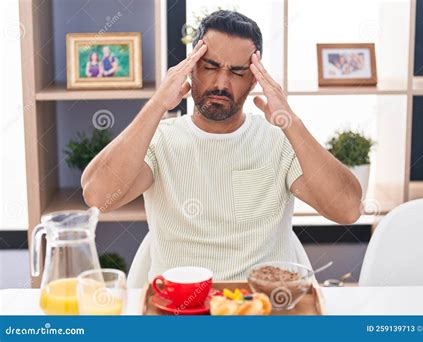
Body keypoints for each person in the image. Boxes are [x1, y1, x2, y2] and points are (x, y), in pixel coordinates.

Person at [81, 10, 362, 281]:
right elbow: (97, 195)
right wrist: (157, 104)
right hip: (179, 308)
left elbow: (347, 210)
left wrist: (290, 121)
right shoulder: (160, 139)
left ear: (254, 80)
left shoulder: (278, 140)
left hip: (261, 308)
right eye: (211, 67)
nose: (221, 83)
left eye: (237, 72)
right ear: (190, 69)